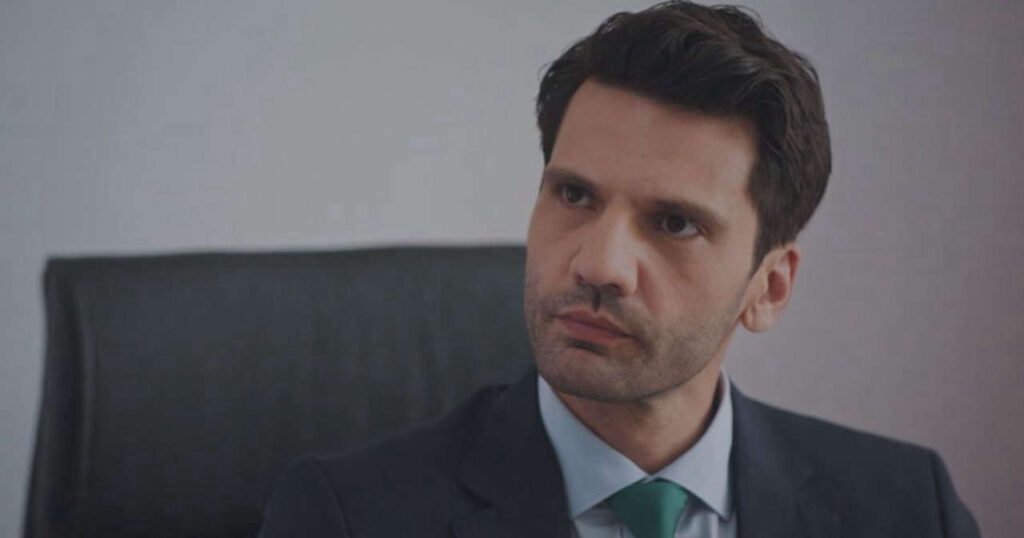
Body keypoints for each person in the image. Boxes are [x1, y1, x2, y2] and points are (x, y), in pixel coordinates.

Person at [259, 2, 980, 537]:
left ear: (769, 287)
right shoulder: (345, 517)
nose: (599, 264)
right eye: (575, 195)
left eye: (674, 223)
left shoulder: (910, 509)